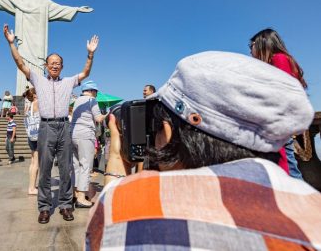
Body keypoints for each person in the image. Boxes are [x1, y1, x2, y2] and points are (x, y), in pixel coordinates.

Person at [86, 51, 320, 250]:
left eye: (157, 126)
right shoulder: (313, 209)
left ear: (168, 131)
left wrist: (117, 159)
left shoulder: (125, 202)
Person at [3, 24, 99, 224]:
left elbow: (85, 73)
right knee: (45, 169)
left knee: (65, 169)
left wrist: (90, 54)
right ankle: (45, 207)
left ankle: (65, 205)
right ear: (46, 66)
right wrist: (12, 44)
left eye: (58, 63)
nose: (55, 65)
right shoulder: (38, 79)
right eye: (52, 63)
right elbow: (20, 64)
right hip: (46, 127)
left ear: (62, 67)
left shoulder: (69, 82)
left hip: (64, 126)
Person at [249, 28, 306, 179]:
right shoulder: (282, 60)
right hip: (279, 123)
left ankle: (298, 199)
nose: (250, 50)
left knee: (286, 168)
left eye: (252, 45)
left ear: (263, 43)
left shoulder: (279, 59)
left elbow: (281, 92)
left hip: (277, 124)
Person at [71, 81, 106, 208]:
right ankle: (81, 198)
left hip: (73, 135)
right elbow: (98, 118)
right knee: (86, 166)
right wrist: (108, 113)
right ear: (92, 91)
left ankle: (74, 195)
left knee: (75, 166)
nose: (96, 94)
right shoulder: (92, 100)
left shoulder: (77, 101)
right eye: (96, 92)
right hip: (85, 135)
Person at [24, 88, 40, 195]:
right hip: (39, 135)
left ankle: (31, 185)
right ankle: (32, 188)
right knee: (36, 163)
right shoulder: (38, 103)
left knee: (33, 161)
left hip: (31, 135)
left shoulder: (29, 106)